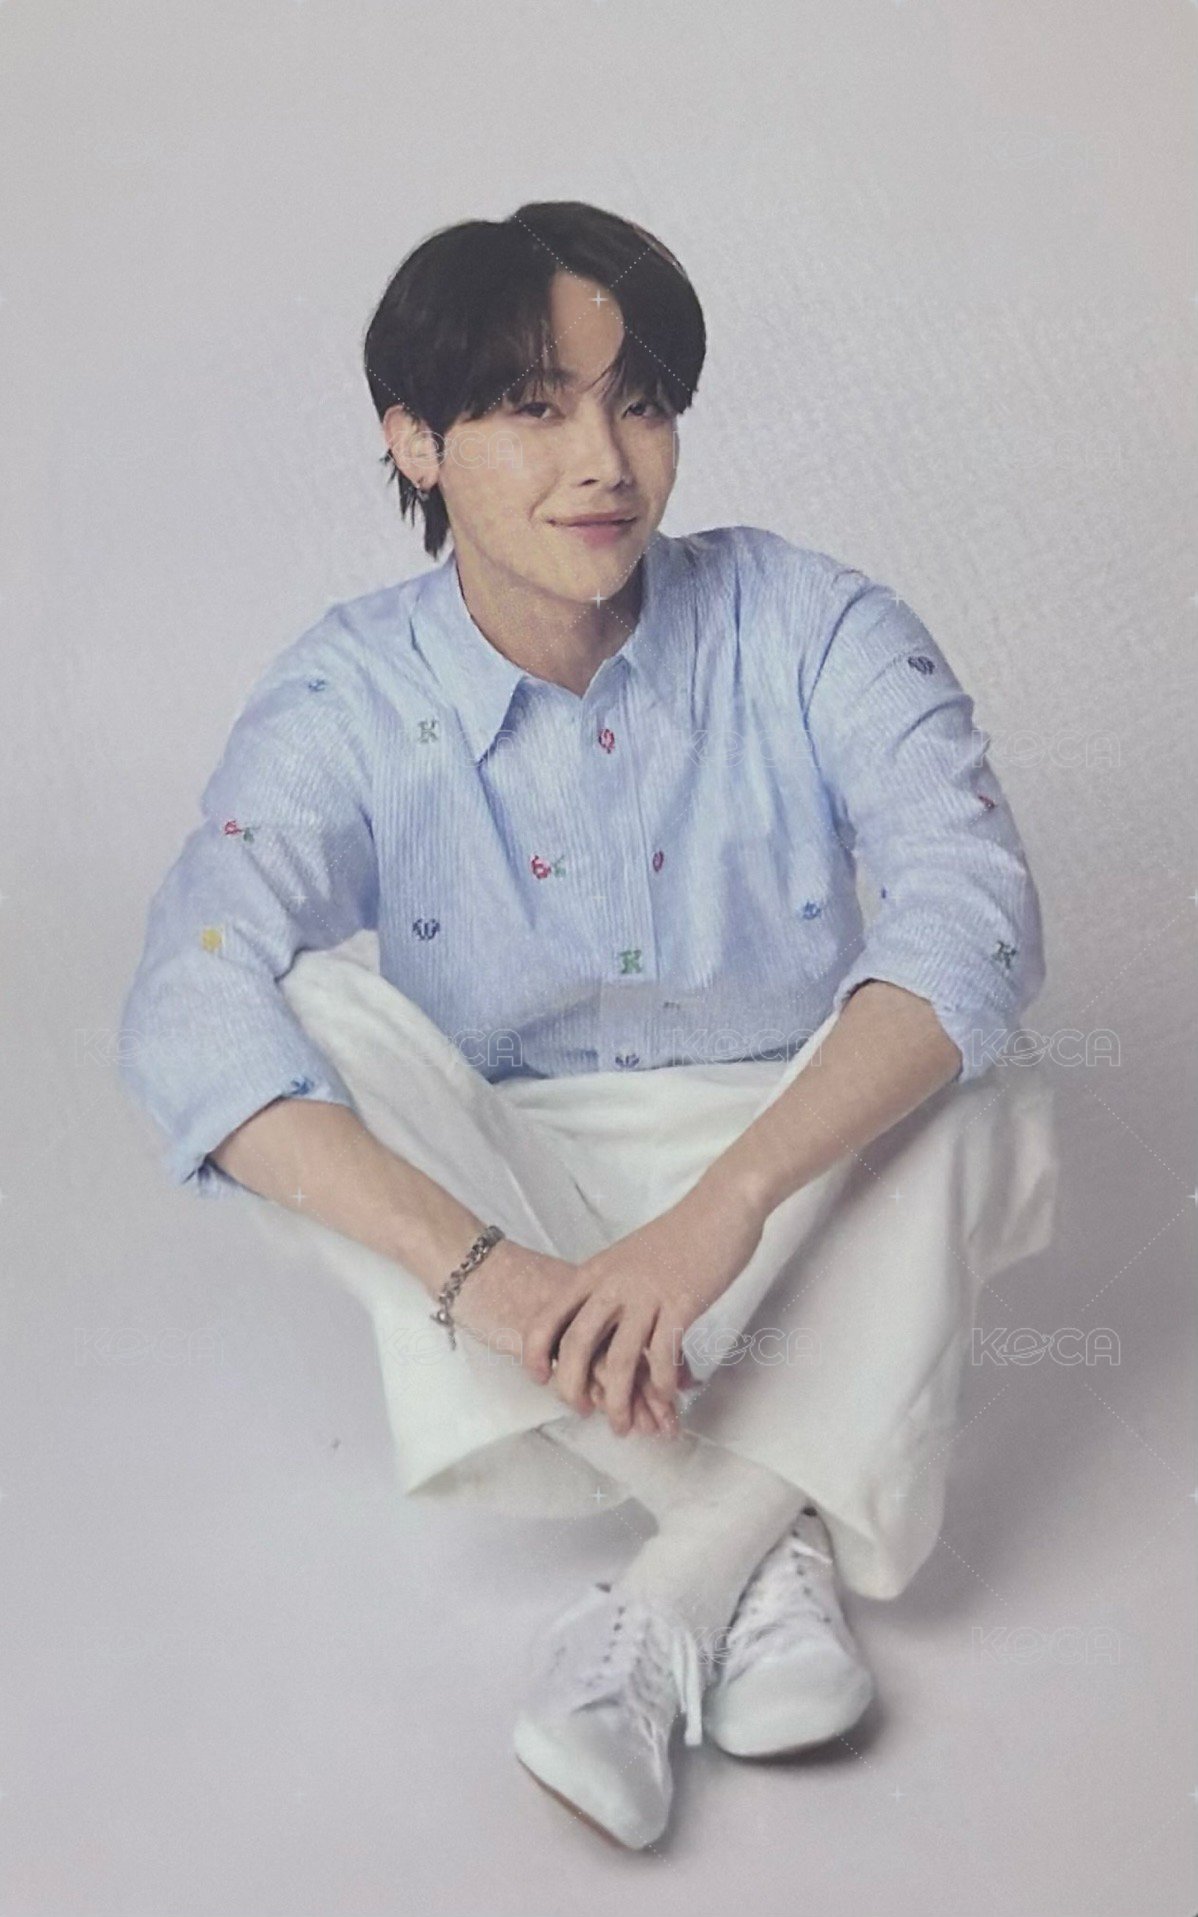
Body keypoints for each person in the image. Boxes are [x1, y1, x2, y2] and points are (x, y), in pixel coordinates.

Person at [117, 201, 1058, 1850]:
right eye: (531, 407)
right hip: (513, 1183)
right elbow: (186, 1003)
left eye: (639, 402)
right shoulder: (348, 690)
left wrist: (724, 1209)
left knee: (984, 1068)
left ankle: (666, 1594)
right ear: (413, 442)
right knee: (300, 1013)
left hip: (788, 1167)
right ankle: (763, 1534)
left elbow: (975, 909)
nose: (604, 461)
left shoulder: (810, 621)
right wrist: (495, 1276)